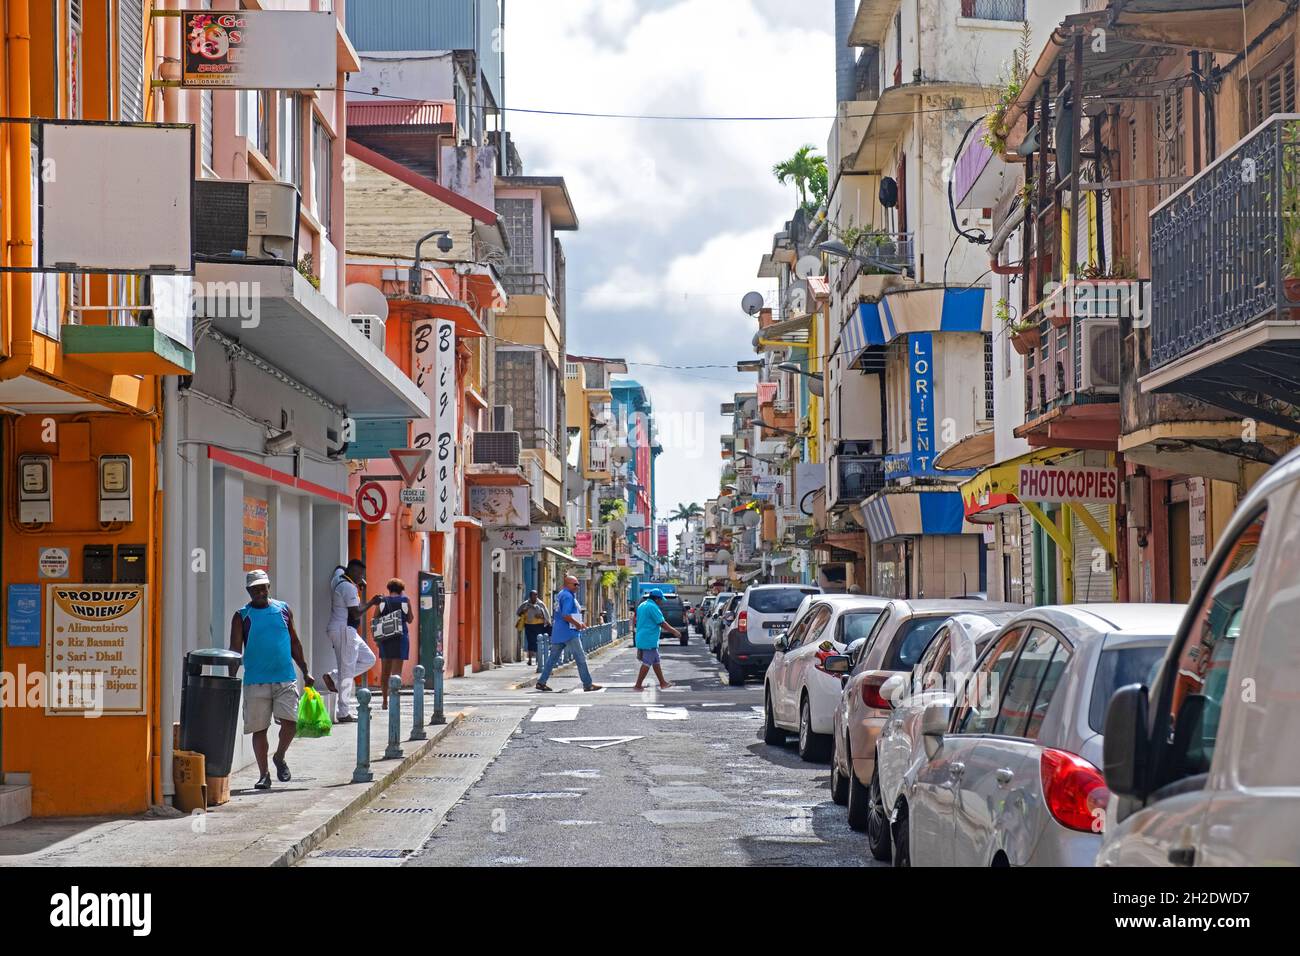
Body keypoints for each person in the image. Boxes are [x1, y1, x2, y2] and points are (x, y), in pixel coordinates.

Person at [228, 569, 315, 790]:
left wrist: (305, 671)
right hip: (255, 681)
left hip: (285, 677)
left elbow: (294, 642)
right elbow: (235, 650)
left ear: (269, 587)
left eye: (263, 587)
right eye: (255, 589)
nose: (260, 592)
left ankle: (280, 756)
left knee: (291, 723)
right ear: (248, 591)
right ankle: (263, 774)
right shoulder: (242, 616)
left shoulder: (283, 610)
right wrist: (230, 678)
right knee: (260, 729)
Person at [324, 559, 377, 723]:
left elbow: (339, 568)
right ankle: (343, 712)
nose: (362, 577)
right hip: (345, 630)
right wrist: (372, 602)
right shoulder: (348, 587)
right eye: (360, 574)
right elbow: (355, 613)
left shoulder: (338, 577)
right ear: (353, 573)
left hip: (345, 630)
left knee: (369, 659)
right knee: (347, 672)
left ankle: (333, 677)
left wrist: (358, 583)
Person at [535, 574, 602, 693]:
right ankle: (588, 684)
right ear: (567, 584)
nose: (578, 586)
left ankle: (541, 682)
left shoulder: (561, 594)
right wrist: (577, 624)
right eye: (575, 584)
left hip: (559, 632)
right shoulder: (568, 596)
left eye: (578, 584)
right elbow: (566, 615)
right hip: (569, 633)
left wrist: (579, 622)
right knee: (580, 658)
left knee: (552, 658)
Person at [366, 578, 413, 710]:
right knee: (396, 672)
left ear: (389, 589)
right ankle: (394, 700)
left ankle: (385, 701)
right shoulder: (405, 601)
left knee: (385, 671)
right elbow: (410, 619)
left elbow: (375, 620)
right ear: (401, 589)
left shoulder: (382, 601)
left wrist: (377, 639)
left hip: (385, 639)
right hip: (401, 638)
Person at [633, 588, 679, 691]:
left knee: (656, 661)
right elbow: (661, 622)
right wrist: (674, 631)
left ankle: (663, 683)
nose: (661, 602)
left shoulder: (642, 605)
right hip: (649, 639)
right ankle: (638, 685)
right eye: (660, 599)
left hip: (643, 637)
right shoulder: (652, 607)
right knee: (647, 662)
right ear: (657, 599)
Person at [515, 589, 550, 667]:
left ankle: (539, 660)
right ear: (530, 596)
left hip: (539, 625)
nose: (534, 597)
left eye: (536, 595)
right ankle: (530, 660)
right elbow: (518, 613)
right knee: (530, 642)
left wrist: (540, 616)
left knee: (538, 642)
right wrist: (524, 611)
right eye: (532, 596)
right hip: (529, 625)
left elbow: (546, 615)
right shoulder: (525, 604)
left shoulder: (541, 604)